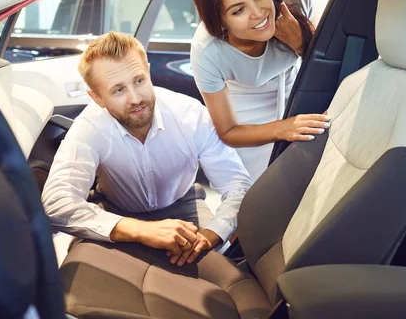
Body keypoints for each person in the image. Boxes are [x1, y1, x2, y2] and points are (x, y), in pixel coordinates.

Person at [41, 31, 252, 267]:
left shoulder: (190, 115)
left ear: (149, 73)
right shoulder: (89, 127)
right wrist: (139, 230)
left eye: (139, 81)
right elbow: (56, 203)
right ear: (97, 98)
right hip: (116, 212)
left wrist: (214, 232)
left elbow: (238, 185)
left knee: (216, 267)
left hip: (184, 206)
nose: (135, 98)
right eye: (118, 90)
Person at [190, 0, 331, 182]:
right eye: (238, 10)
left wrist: (300, 42)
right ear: (221, 22)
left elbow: (325, 62)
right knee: (261, 189)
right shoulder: (208, 51)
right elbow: (228, 131)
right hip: (248, 115)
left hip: (298, 88)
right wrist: (283, 128)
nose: (258, 13)